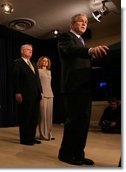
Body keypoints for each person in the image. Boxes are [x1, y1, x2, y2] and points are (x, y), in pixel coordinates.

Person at [57, 13, 109, 165]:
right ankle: (66, 154)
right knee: (73, 122)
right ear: (72, 24)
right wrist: (90, 51)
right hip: (73, 87)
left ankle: (78, 153)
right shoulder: (66, 38)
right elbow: (70, 51)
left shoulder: (82, 42)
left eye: (86, 22)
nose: (84, 23)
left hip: (85, 87)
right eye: (81, 21)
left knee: (84, 123)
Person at [12, 44, 42, 145]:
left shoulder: (33, 63)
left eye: (31, 50)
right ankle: (24, 139)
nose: (30, 51)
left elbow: (37, 79)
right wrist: (17, 92)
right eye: (28, 49)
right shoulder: (18, 63)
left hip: (36, 94)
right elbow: (15, 79)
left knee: (34, 117)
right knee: (25, 117)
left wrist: (40, 91)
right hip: (24, 95)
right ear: (22, 51)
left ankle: (31, 137)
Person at [36, 56, 54, 141]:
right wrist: (40, 93)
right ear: (40, 62)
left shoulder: (49, 72)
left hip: (50, 94)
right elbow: (38, 84)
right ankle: (43, 135)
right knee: (43, 116)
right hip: (42, 94)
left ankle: (49, 134)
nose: (45, 62)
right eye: (44, 61)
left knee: (49, 116)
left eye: (47, 61)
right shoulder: (38, 71)